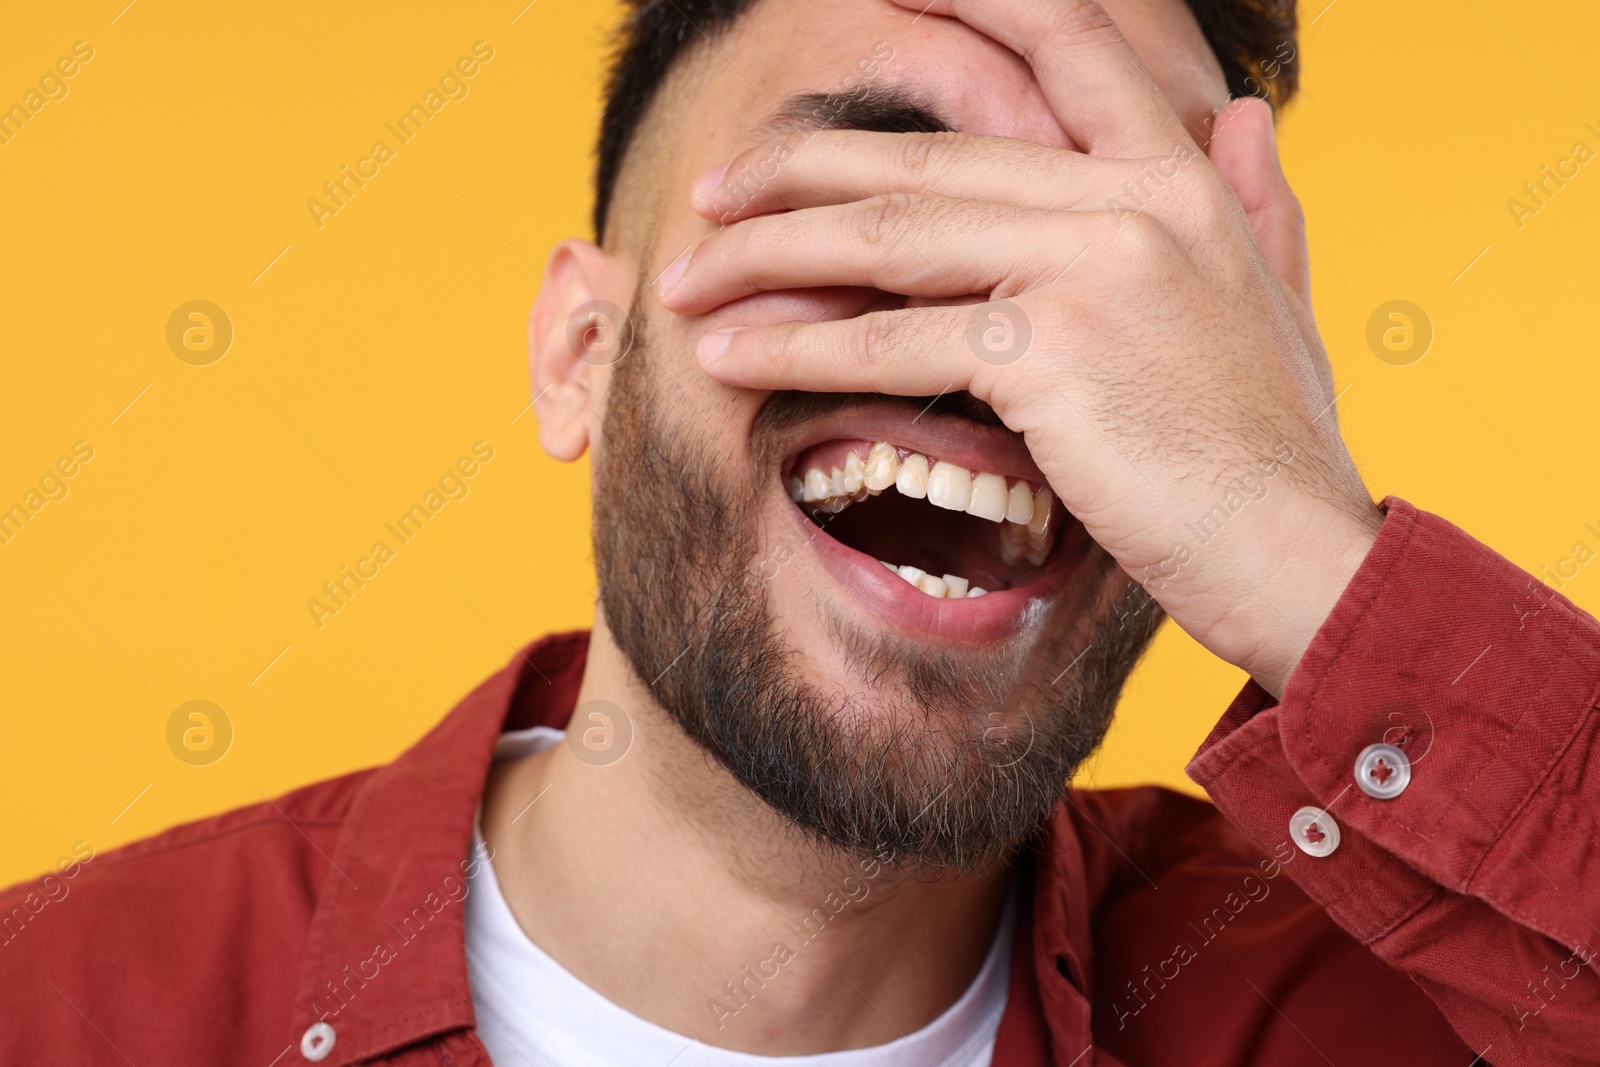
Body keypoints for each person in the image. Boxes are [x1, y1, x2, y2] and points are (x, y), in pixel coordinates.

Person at [4, 0, 1597, 1064]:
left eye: (1131, 252)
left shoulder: (1408, 1012)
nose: (1006, 342)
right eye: (876, 182)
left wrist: (1313, 562)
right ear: (580, 353)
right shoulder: (63, 1008)